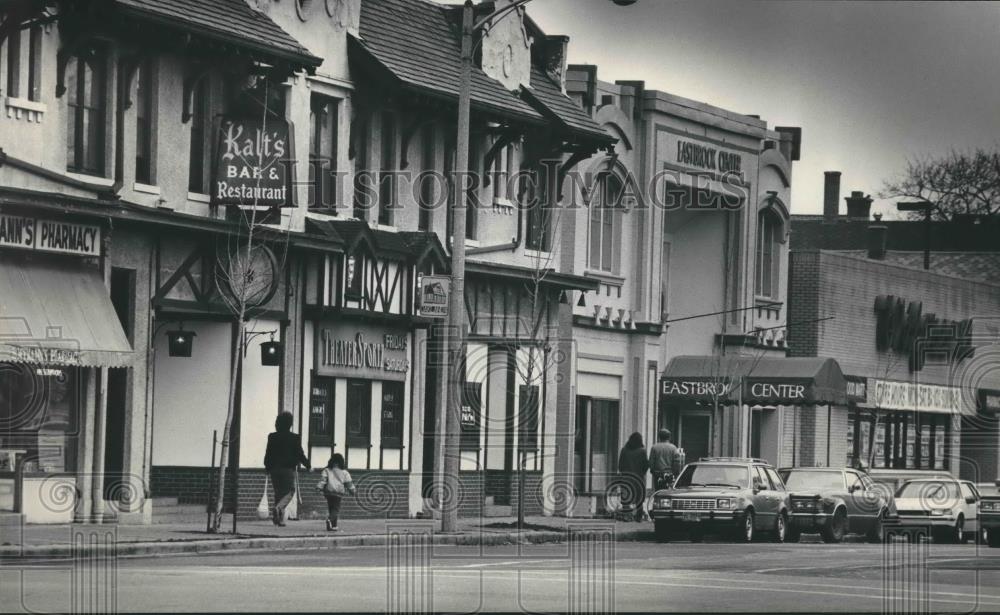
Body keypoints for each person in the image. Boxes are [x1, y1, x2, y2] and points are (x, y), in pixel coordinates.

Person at [263, 412, 310, 526]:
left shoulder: (272, 436)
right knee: (290, 491)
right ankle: (278, 509)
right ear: (290, 424)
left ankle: (278, 519)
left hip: (274, 469)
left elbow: (268, 453)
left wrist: (267, 466)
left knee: (278, 493)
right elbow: (300, 454)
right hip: (288, 469)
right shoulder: (294, 437)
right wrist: (308, 465)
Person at [316, 453, 356, 531]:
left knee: (331, 508)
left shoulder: (326, 470)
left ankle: (333, 526)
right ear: (341, 462)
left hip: (328, 492)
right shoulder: (344, 472)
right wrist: (353, 491)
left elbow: (323, 481)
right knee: (336, 509)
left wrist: (319, 488)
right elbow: (349, 484)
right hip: (338, 493)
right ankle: (330, 520)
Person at [617, 432, 649, 522]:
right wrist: (642, 473)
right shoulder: (643, 451)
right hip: (639, 478)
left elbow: (620, 465)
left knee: (626, 498)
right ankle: (638, 517)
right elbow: (646, 465)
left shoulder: (624, 450)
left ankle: (626, 516)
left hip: (626, 478)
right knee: (639, 498)